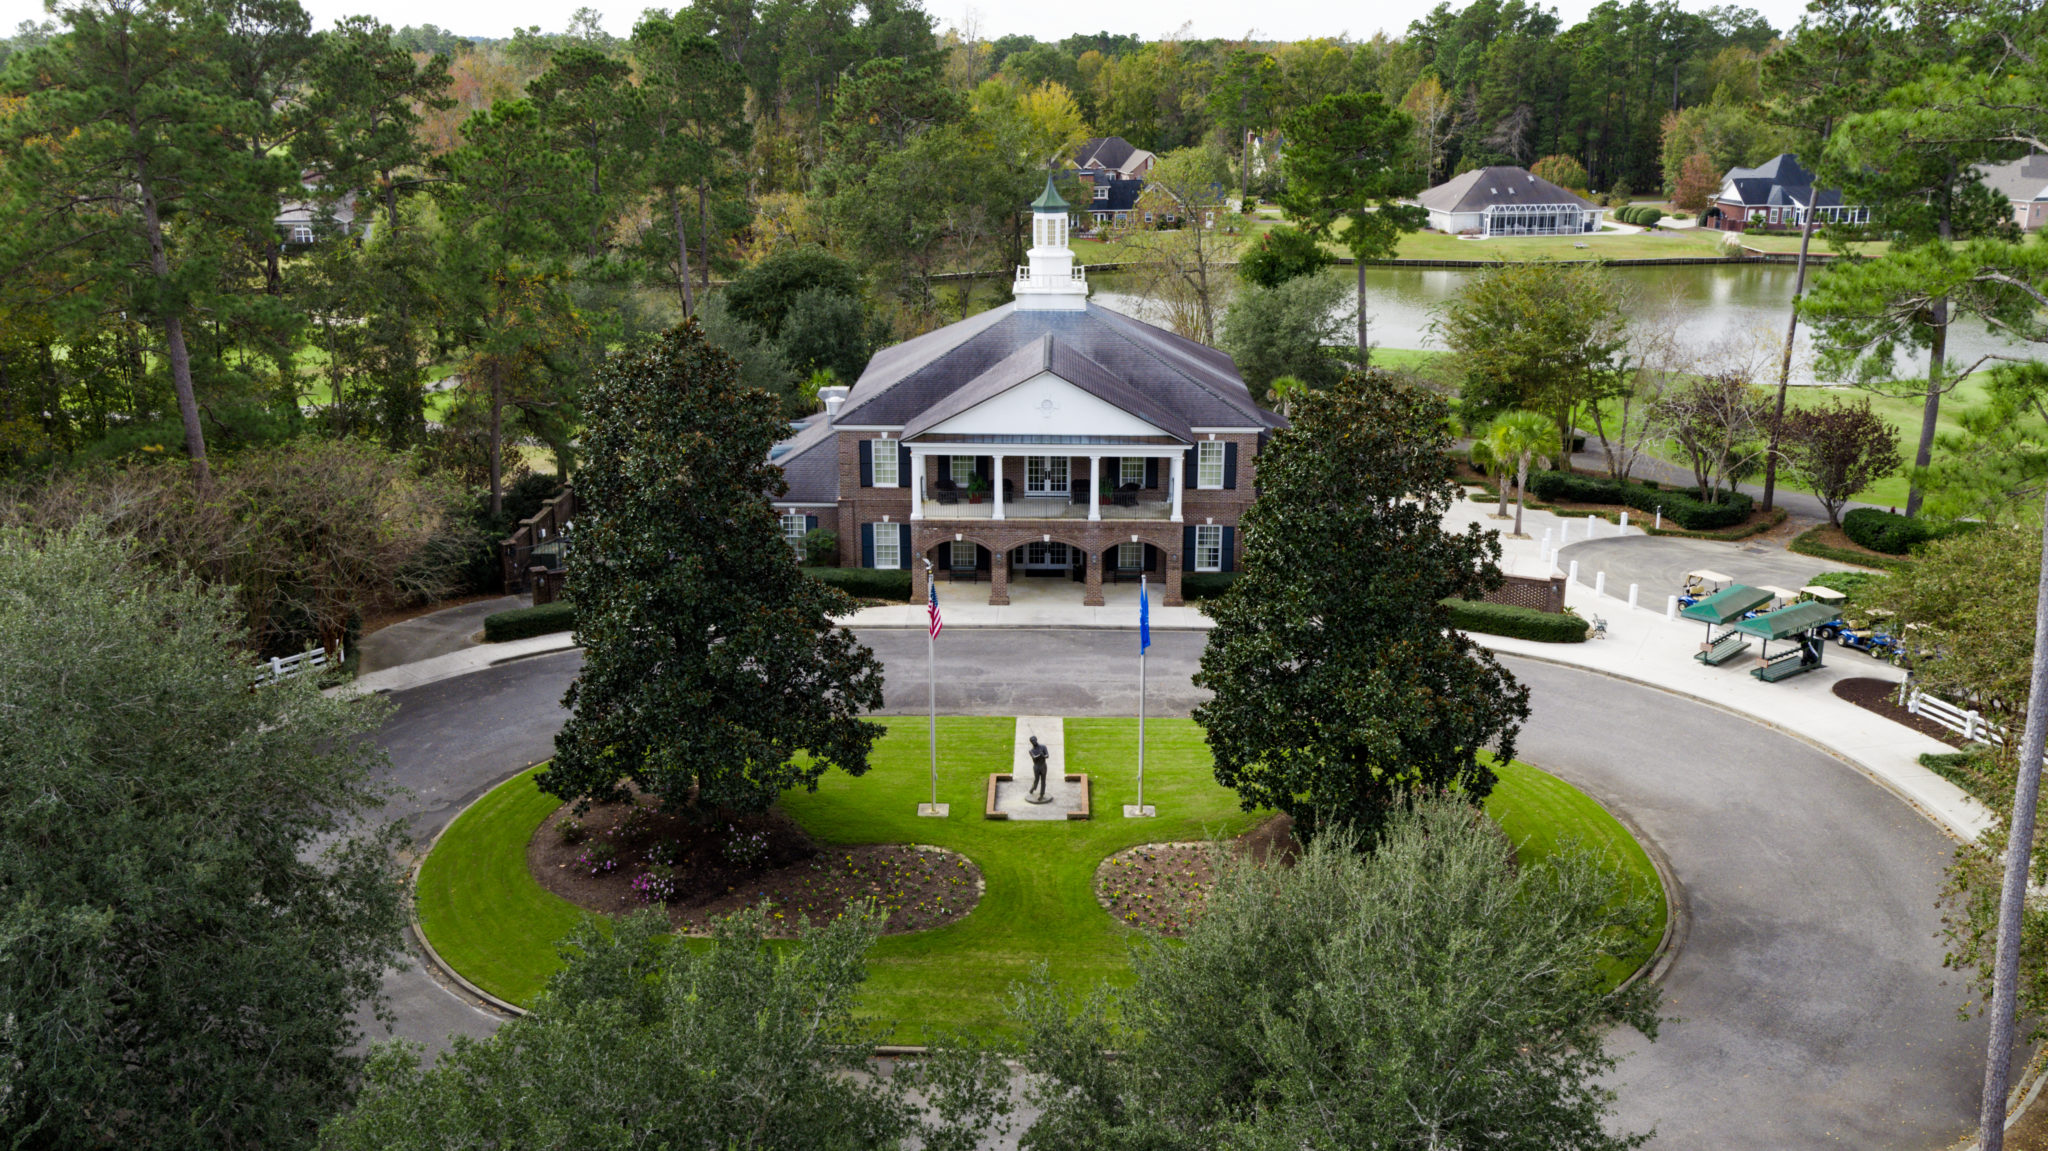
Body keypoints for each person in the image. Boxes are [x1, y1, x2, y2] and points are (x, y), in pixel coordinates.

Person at [1028, 735, 1050, 800]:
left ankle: (1041, 794)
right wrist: (1040, 755)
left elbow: (1047, 755)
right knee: (1036, 779)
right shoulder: (1031, 750)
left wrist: (1043, 755)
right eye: (1032, 741)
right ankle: (1033, 788)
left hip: (1043, 766)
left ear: (1036, 740)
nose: (1033, 742)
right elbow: (1034, 758)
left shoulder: (1043, 747)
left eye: (1034, 740)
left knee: (1043, 780)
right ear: (1031, 742)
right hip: (1036, 767)